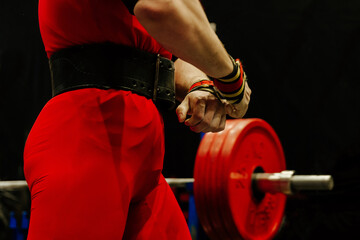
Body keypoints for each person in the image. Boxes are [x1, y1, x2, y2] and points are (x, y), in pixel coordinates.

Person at [23, 0, 251, 239]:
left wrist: (200, 84)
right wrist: (231, 78)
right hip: (88, 141)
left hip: (143, 161)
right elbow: (159, 11)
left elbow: (176, 51)